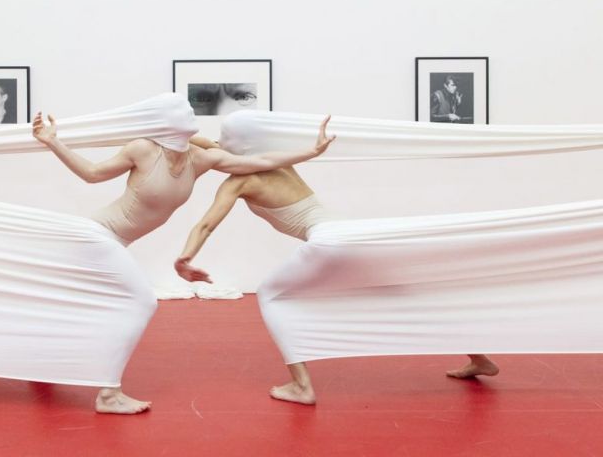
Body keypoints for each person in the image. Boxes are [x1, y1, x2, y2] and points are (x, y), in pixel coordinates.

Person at [32, 98, 335, 414]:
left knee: (73, 299)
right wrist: (54, 142)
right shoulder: (143, 149)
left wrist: (312, 152)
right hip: (97, 235)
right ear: (166, 121)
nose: (193, 113)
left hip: (114, 242)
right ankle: (108, 395)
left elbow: (260, 161)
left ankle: (39, 360)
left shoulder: (199, 158)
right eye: (185, 110)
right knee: (141, 302)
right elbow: (93, 174)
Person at [175, 137, 498, 405]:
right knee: (406, 294)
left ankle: (301, 386)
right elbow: (210, 143)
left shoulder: (240, 180)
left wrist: (185, 258)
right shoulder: (278, 160)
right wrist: (177, 132)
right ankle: (480, 358)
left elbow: (206, 224)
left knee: (272, 296)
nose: (213, 151)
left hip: (329, 241)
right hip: (351, 232)